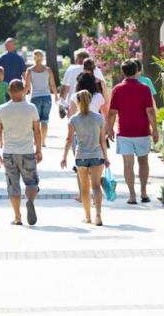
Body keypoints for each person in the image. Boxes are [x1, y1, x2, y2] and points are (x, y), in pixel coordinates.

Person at [106, 59, 159, 204]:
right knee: (143, 162)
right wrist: (155, 130)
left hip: (124, 133)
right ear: (136, 71)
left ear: (123, 72)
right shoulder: (145, 89)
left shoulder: (117, 89)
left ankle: (132, 195)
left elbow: (112, 112)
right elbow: (150, 112)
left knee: (128, 165)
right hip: (142, 132)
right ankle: (144, 192)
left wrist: (109, 129)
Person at [0, 79, 43, 226]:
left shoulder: (1, 109)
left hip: (9, 153)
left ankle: (17, 217)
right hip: (27, 151)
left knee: (13, 185)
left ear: (9, 91)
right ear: (23, 90)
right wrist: (39, 150)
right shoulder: (31, 108)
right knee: (31, 182)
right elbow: (37, 131)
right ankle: (30, 200)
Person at [62, 90, 109, 226]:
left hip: (81, 156)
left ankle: (88, 217)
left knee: (84, 188)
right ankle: (98, 215)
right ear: (90, 100)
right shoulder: (98, 118)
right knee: (96, 186)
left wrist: (64, 157)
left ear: (77, 102)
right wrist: (106, 157)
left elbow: (69, 140)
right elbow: (102, 140)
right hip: (97, 155)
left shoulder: (74, 119)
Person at [24, 49, 58, 147]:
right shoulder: (48, 70)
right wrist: (56, 96)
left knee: (35, 121)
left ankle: (36, 141)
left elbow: (27, 87)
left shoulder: (30, 70)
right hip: (47, 97)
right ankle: (43, 141)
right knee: (45, 120)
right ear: (42, 58)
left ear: (34, 58)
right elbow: (52, 85)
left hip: (35, 98)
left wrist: (22, 97)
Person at [60, 50, 106, 116]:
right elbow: (103, 87)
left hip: (75, 104)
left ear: (77, 59)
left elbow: (65, 88)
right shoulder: (96, 70)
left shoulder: (71, 69)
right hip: (94, 105)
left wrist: (61, 104)